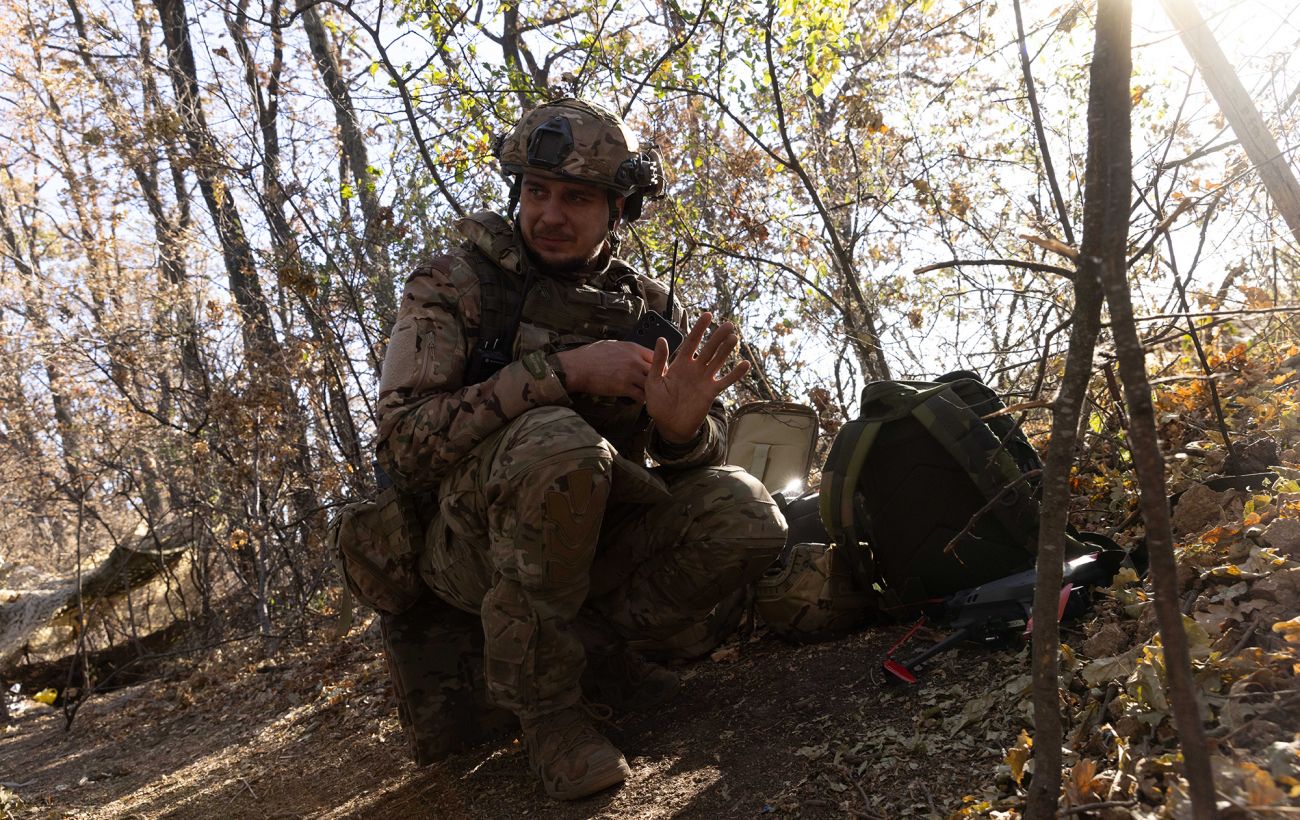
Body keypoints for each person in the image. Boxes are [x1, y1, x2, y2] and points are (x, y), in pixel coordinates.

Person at [374, 98, 787, 800]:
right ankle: (550, 718)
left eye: (577, 197)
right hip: (468, 546)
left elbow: (684, 472)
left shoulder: (645, 307)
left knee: (745, 513)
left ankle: (602, 661)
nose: (550, 214)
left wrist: (685, 433)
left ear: (618, 210)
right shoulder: (459, 285)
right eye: (537, 192)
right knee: (561, 445)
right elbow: (406, 444)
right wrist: (559, 374)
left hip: (593, 536)